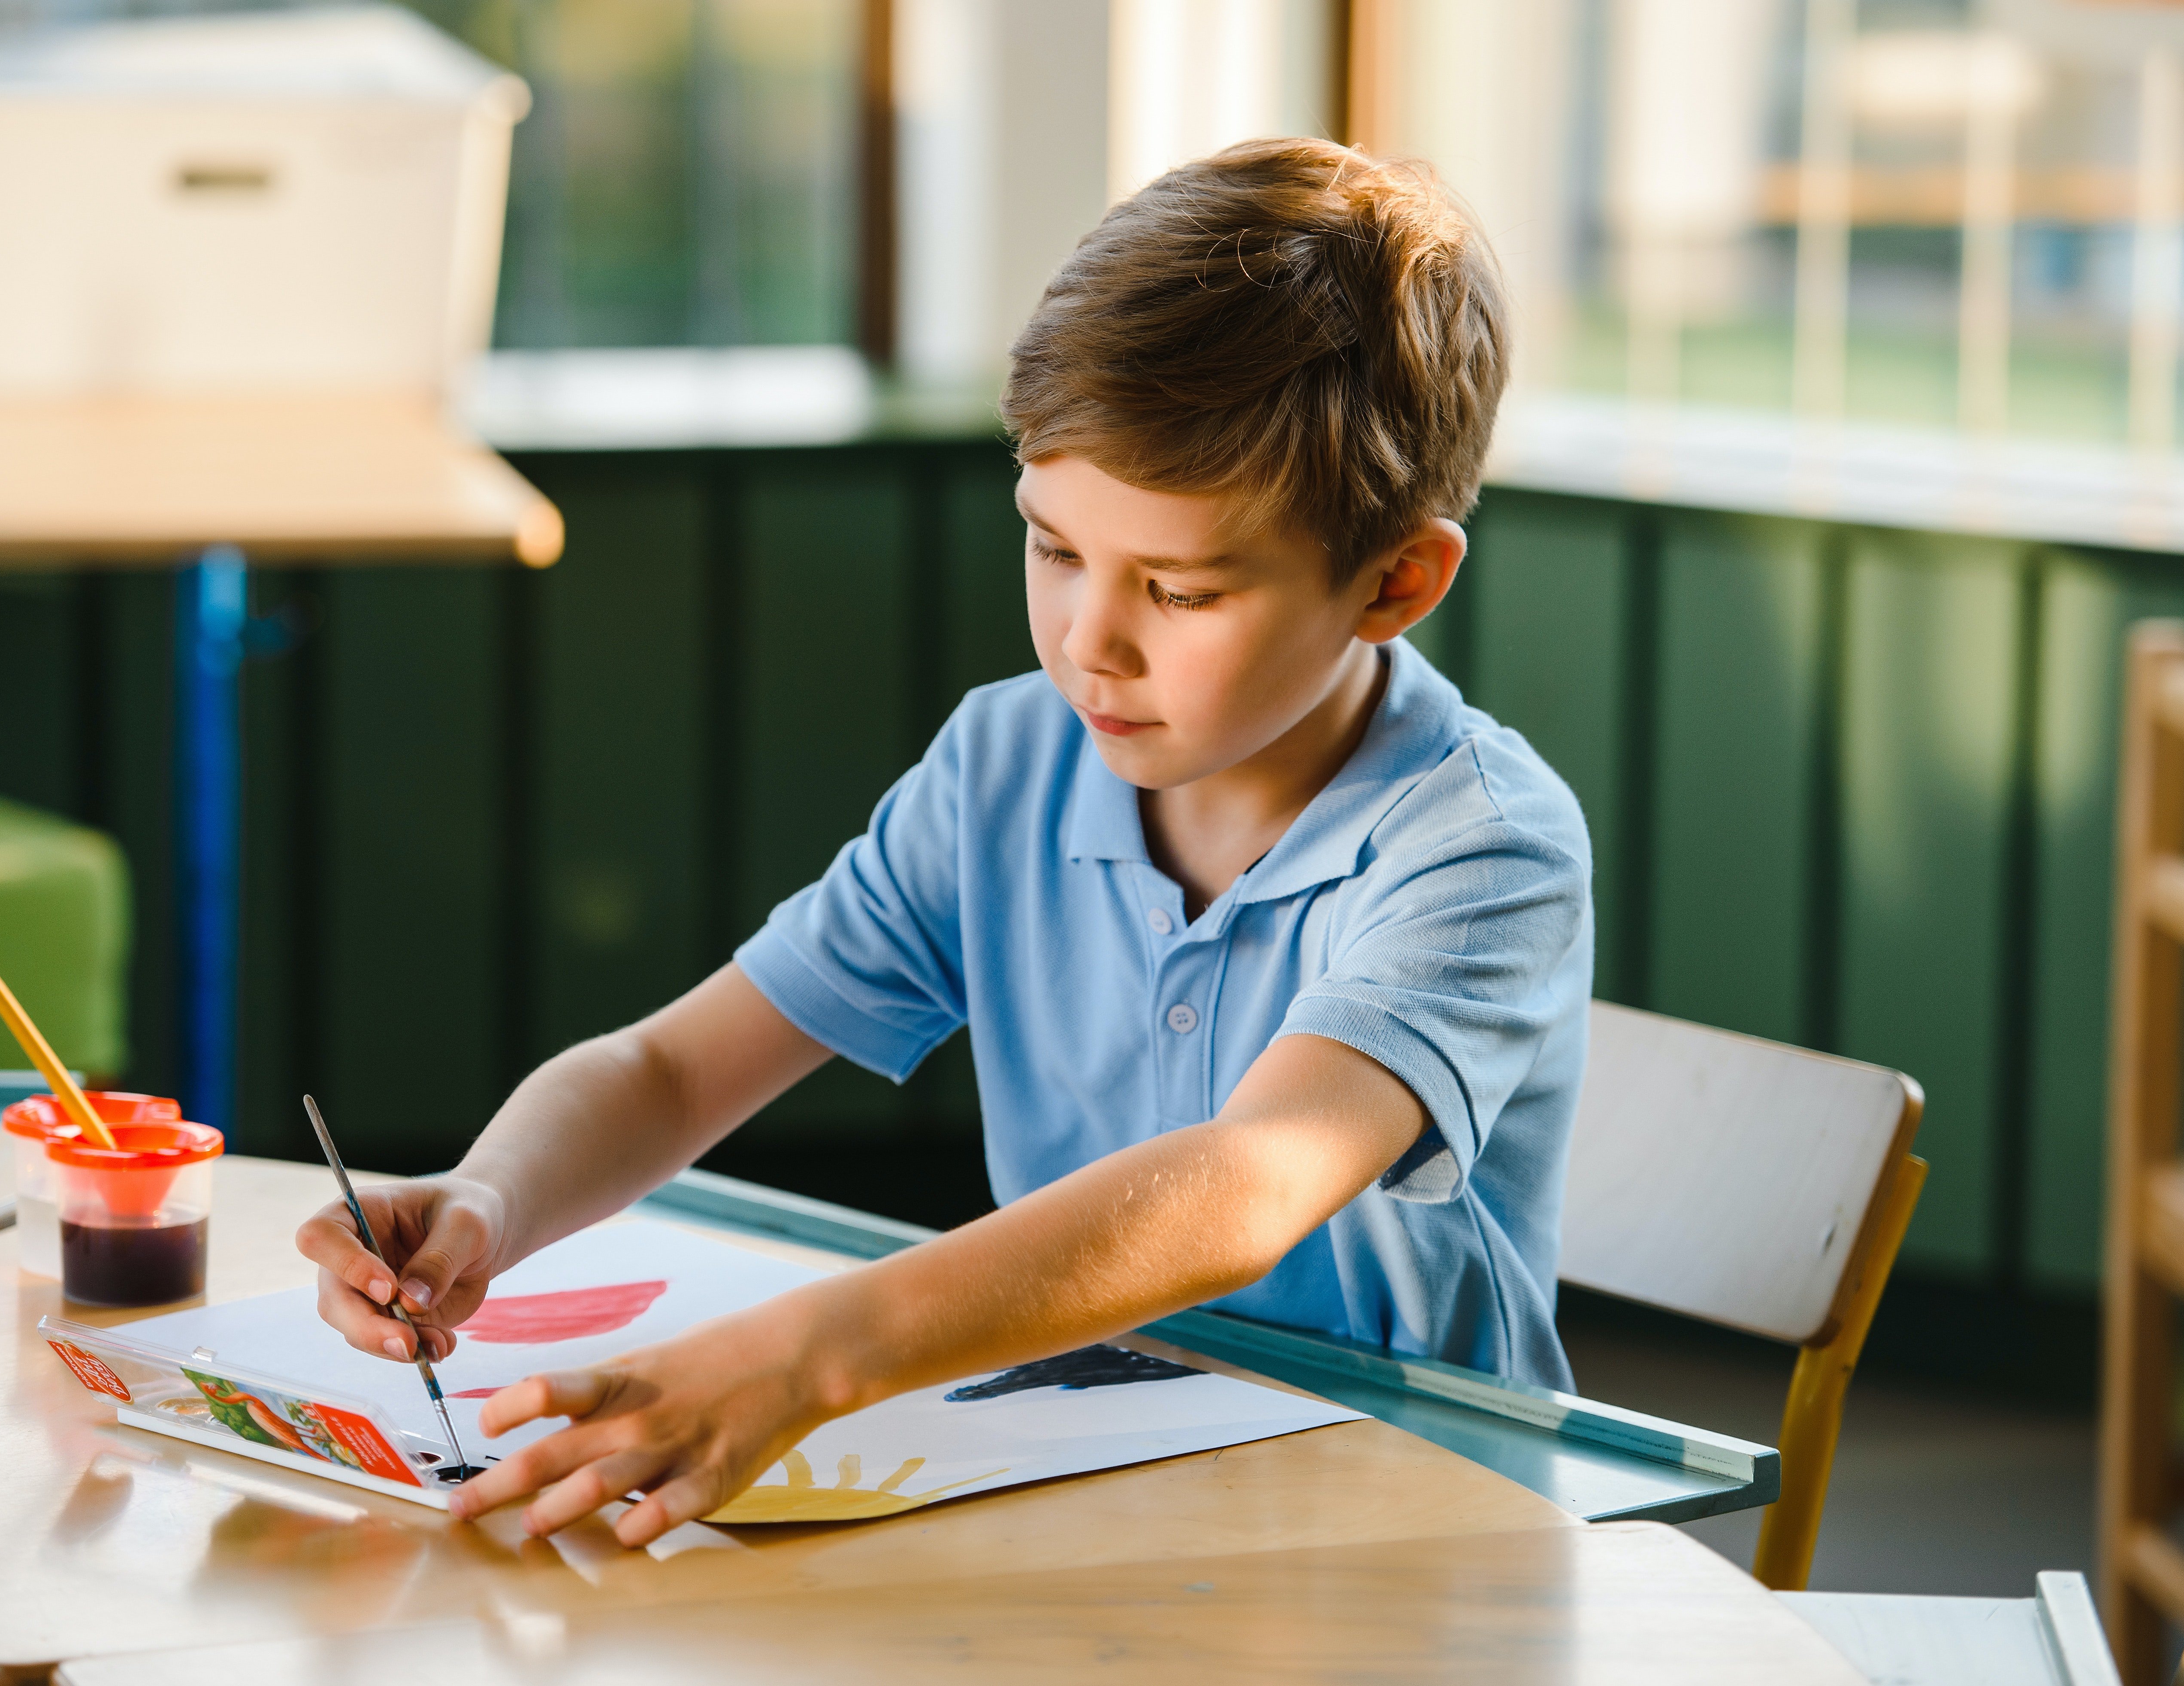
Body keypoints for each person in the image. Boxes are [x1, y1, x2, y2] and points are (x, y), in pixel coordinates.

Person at [298, 137, 1592, 1549]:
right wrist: (493, 1195)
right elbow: (675, 1066)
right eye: (1052, 548)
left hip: (1412, 1530)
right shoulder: (1008, 764)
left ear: (1396, 580)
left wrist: (808, 1350)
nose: (1089, 643)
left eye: (1180, 588)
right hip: (1076, 1486)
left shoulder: (1482, 847)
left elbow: (1251, 1181)